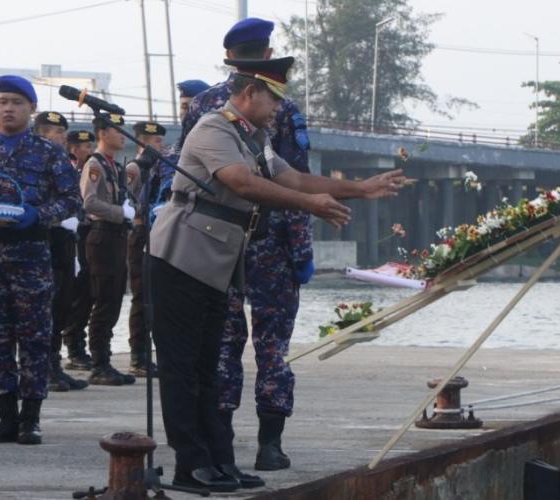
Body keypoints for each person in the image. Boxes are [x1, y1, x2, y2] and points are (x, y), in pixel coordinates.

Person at [149, 56, 408, 491]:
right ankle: (189, 464)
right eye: (273, 99)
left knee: (209, 368)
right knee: (183, 368)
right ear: (250, 92)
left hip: (216, 263)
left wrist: (360, 189)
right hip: (181, 258)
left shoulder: (252, 138)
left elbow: (296, 180)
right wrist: (310, 206)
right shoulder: (214, 128)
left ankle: (220, 460)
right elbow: (243, 183)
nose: (277, 109)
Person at [180, 17, 317, 472]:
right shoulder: (282, 105)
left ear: (229, 58)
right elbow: (295, 183)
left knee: (222, 343)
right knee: (272, 345)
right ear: (267, 55)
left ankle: (220, 441)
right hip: (270, 242)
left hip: (216, 241)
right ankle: (269, 445)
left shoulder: (201, 104)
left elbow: (183, 173)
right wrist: (302, 250)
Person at [0, 75, 80, 445]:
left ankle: (31, 419)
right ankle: (5, 417)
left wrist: (38, 214)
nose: (8, 108)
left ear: (31, 109)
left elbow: (71, 200)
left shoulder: (49, 153)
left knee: (35, 336)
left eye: (17, 103)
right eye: (3, 102)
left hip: (32, 254)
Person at [78, 113, 138, 386]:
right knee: (104, 301)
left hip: (116, 237)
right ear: (102, 133)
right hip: (102, 236)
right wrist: (119, 212)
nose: (122, 135)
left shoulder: (113, 165)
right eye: (117, 130)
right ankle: (99, 363)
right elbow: (89, 202)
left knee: (114, 300)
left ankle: (104, 361)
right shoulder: (95, 164)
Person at [33, 111, 88, 392]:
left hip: (66, 239)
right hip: (47, 237)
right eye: (57, 131)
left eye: (64, 131)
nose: (63, 136)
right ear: (41, 134)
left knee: (64, 303)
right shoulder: (33, 161)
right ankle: (42, 367)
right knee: (47, 307)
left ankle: (54, 363)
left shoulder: (64, 162)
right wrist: (57, 218)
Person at [125, 121, 166, 377]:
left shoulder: (158, 167)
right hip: (140, 234)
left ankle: (147, 353)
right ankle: (137, 357)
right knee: (141, 297)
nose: (161, 145)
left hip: (156, 233)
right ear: (144, 141)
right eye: (157, 141)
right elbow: (127, 202)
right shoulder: (135, 168)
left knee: (154, 297)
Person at [63, 130, 96, 371]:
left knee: (86, 292)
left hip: (86, 233)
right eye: (86, 146)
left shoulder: (88, 169)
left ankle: (77, 346)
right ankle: (72, 347)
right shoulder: (67, 168)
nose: (90, 150)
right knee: (71, 294)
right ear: (74, 149)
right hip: (70, 235)